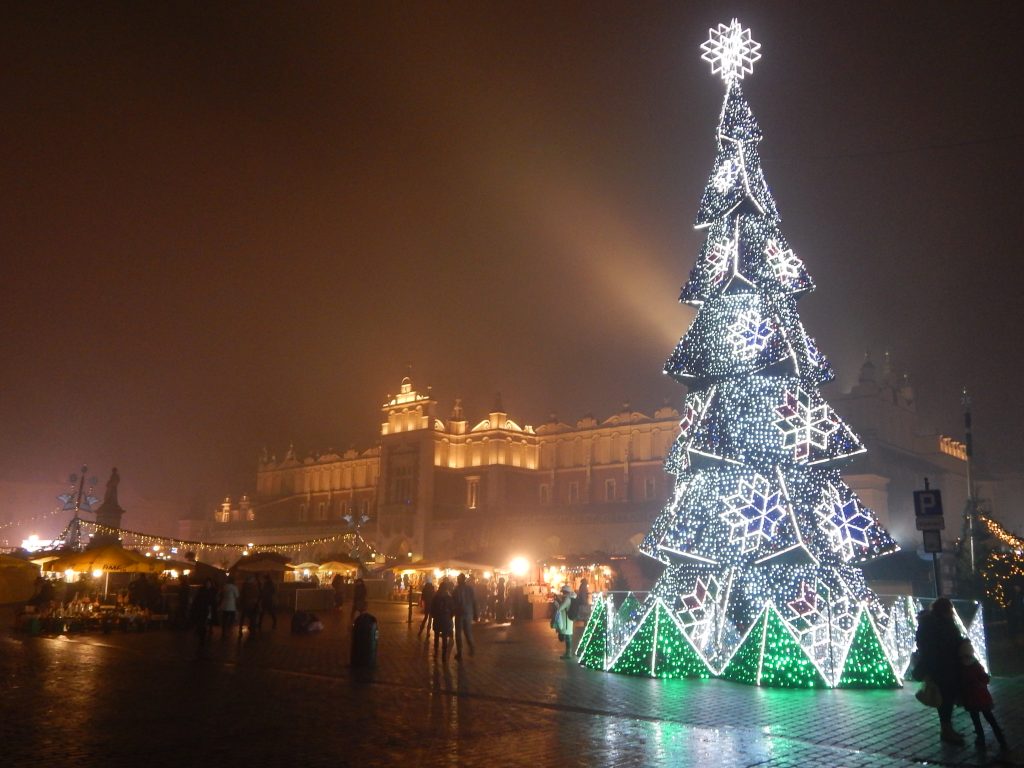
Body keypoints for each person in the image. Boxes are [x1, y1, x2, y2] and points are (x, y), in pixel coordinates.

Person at [915, 597, 965, 745]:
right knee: (945, 699)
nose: (951, 612)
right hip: (941, 666)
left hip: (945, 665)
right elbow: (932, 646)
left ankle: (947, 729)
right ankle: (946, 730)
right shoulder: (935, 624)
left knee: (947, 698)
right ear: (944, 610)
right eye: (949, 609)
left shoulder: (935, 623)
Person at [959, 639, 1007, 750]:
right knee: (989, 718)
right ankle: (1000, 738)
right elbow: (985, 679)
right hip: (982, 698)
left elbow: (962, 683)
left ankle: (981, 739)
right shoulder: (976, 666)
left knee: (976, 719)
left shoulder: (962, 668)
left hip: (971, 699)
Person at [430, 579, 456, 663]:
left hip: (438, 618)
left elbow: (432, 608)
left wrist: (434, 615)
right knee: (444, 637)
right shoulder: (449, 597)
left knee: (436, 636)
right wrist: (450, 616)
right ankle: (444, 655)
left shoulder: (436, 597)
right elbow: (452, 609)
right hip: (446, 618)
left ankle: (436, 651)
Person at [452, 573, 477, 660]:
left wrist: (452, 613)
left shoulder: (456, 590)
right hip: (468, 613)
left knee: (458, 633)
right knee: (467, 632)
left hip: (459, 613)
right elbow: (474, 601)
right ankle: (472, 647)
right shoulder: (470, 589)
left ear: (460, 580)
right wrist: (476, 614)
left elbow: (453, 603)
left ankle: (459, 652)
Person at [190, 579, 216, 657]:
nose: (208, 585)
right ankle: (202, 637)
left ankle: (202, 636)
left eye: (209, 584)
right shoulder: (203, 592)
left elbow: (212, 601)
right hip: (201, 610)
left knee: (203, 623)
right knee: (202, 624)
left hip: (206, 610)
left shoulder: (210, 591)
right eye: (207, 583)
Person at [553, 584, 576, 659]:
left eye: (563, 592)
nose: (562, 593)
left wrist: (556, 604)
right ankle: (568, 652)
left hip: (566, 620)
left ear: (565, 592)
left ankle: (568, 653)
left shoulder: (567, 599)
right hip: (568, 620)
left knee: (568, 636)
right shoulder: (570, 598)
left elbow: (560, 608)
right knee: (568, 636)